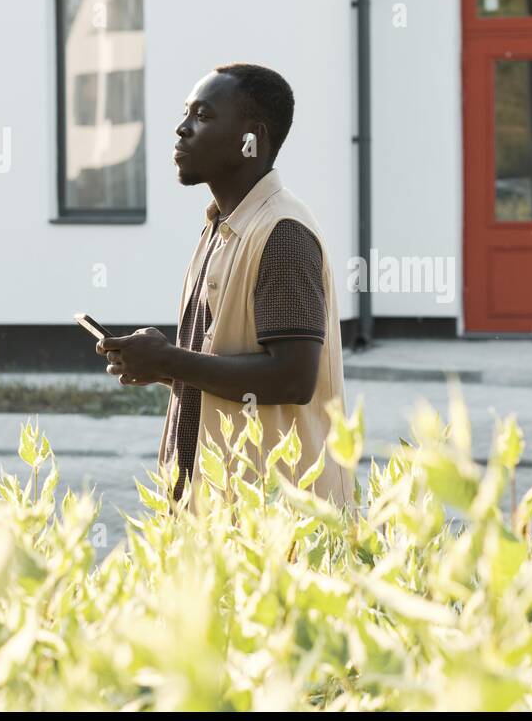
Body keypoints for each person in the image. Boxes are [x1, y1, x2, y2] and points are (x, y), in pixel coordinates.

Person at [96, 63, 353, 509]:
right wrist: (163, 366)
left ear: (250, 138)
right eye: (186, 114)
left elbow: (292, 378)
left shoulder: (282, 233)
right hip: (218, 508)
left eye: (203, 115)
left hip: (277, 519)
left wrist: (170, 359)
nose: (182, 129)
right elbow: (226, 365)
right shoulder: (221, 227)